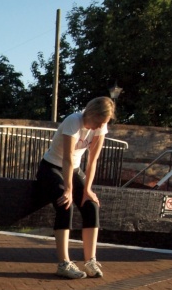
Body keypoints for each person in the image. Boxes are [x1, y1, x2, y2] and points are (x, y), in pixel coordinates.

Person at [35, 96, 116, 279]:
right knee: (66, 204)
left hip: (75, 169)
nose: (100, 126)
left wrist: (87, 190)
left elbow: (93, 160)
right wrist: (68, 190)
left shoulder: (101, 126)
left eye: (104, 123)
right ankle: (64, 263)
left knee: (91, 205)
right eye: (99, 121)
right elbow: (67, 158)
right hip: (52, 167)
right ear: (92, 113)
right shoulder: (73, 121)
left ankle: (90, 261)